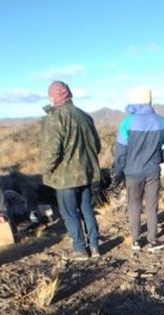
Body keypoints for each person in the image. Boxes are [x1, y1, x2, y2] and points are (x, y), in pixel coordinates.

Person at [41, 81, 102, 260]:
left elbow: (51, 151)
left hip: (65, 177)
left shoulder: (55, 118)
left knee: (69, 213)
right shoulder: (84, 116)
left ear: (53, 97)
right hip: (87, 174)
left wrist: (46, 170)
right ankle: (95, 246)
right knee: (86, 210)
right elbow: (96, 146)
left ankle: (80, 249)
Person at [112, 87, 164, 252]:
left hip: (132, 173)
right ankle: (153, 241)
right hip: (152, 172)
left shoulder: (127, 122)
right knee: (151, 206)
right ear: (149, 101)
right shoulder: (161, 121)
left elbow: (121, 151)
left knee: (134, 206)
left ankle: (135, 241)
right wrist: (159, 159)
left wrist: (119, 171)